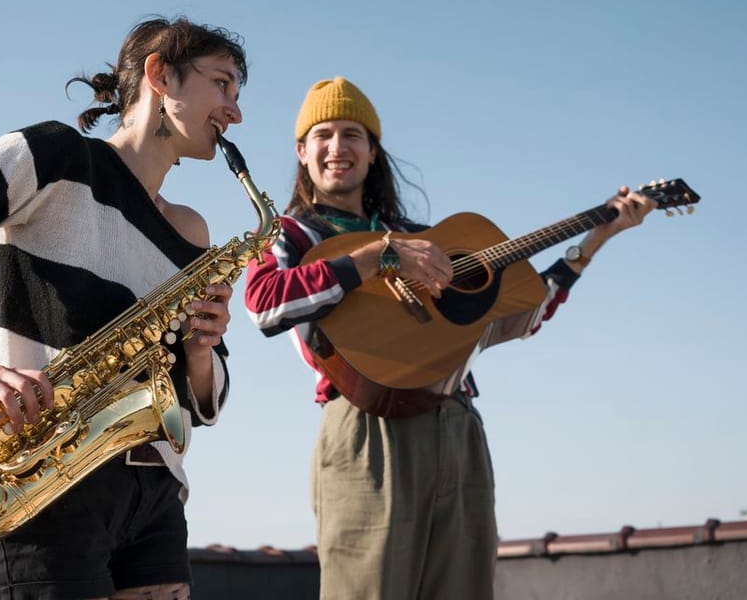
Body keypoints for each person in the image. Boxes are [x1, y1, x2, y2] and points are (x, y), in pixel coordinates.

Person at [0, 16, 248, 600]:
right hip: (38, 480)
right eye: (222, 84)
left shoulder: (191, 230)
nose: (236, 112)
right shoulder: (52, 155)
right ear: (160, 74)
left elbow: (203, 399)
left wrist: (201, 351)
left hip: (154, 493)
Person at [243, 76, 656, 600]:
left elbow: (519, 316)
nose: (338, 147)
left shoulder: (421, 238)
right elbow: (265, 304)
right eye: (323, 134)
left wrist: (594, 242)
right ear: (302, 152)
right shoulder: (290, 234)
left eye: (353, 134)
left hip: (458, 425)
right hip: (368, 430)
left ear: (372, 152)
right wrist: (376, 258)